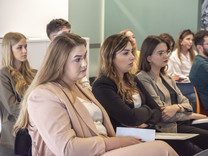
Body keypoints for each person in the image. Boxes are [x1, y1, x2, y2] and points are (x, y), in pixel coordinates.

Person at [13, 32, 178, 156]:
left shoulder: (79, 88)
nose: (85, 64)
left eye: (85, 57)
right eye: (77, 59)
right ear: (59, 62)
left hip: (104, 148)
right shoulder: (43, 95)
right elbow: (67, 148)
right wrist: (116, 142)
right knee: (162, 149)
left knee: (163, 146)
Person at [92, 34, 203, 156]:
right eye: (125, 53)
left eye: (132, 52)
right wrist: (145, 111)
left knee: (195, 148)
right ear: (110, 57)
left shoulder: (132, 79)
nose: (132, 57)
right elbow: (130, 117)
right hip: (126, 139)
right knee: (188, 148)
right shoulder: (103, 85)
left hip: (148, 131)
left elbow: (157, 111)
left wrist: (143, 118)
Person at [137, 35, 208, 156]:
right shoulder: (143, 78)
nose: (166, 56)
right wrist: (191, 115)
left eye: (166, 52)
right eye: (160, 53)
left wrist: (176, 108)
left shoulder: (167, 77)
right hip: (170, 126)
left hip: (184, 120)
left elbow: (186, 102)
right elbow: (162, 113)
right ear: (149, 57)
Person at [0, 32, 37, 155]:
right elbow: (12, 107)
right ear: (9, 50)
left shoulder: (33, 73)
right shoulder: (3, 74)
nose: (24, 51)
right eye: (19, 47)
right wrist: (38, 114)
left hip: (34, 133)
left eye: (26, 46)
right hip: (14, 137)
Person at [167, 29, 197, 112]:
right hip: (181, 86)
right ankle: (192, 119)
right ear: (180, 41)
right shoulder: (173, 55)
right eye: (188, 39)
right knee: (194, 97)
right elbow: (171, 75)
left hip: (193, 84)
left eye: (192, 40)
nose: (191, 42)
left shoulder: (194, 54)